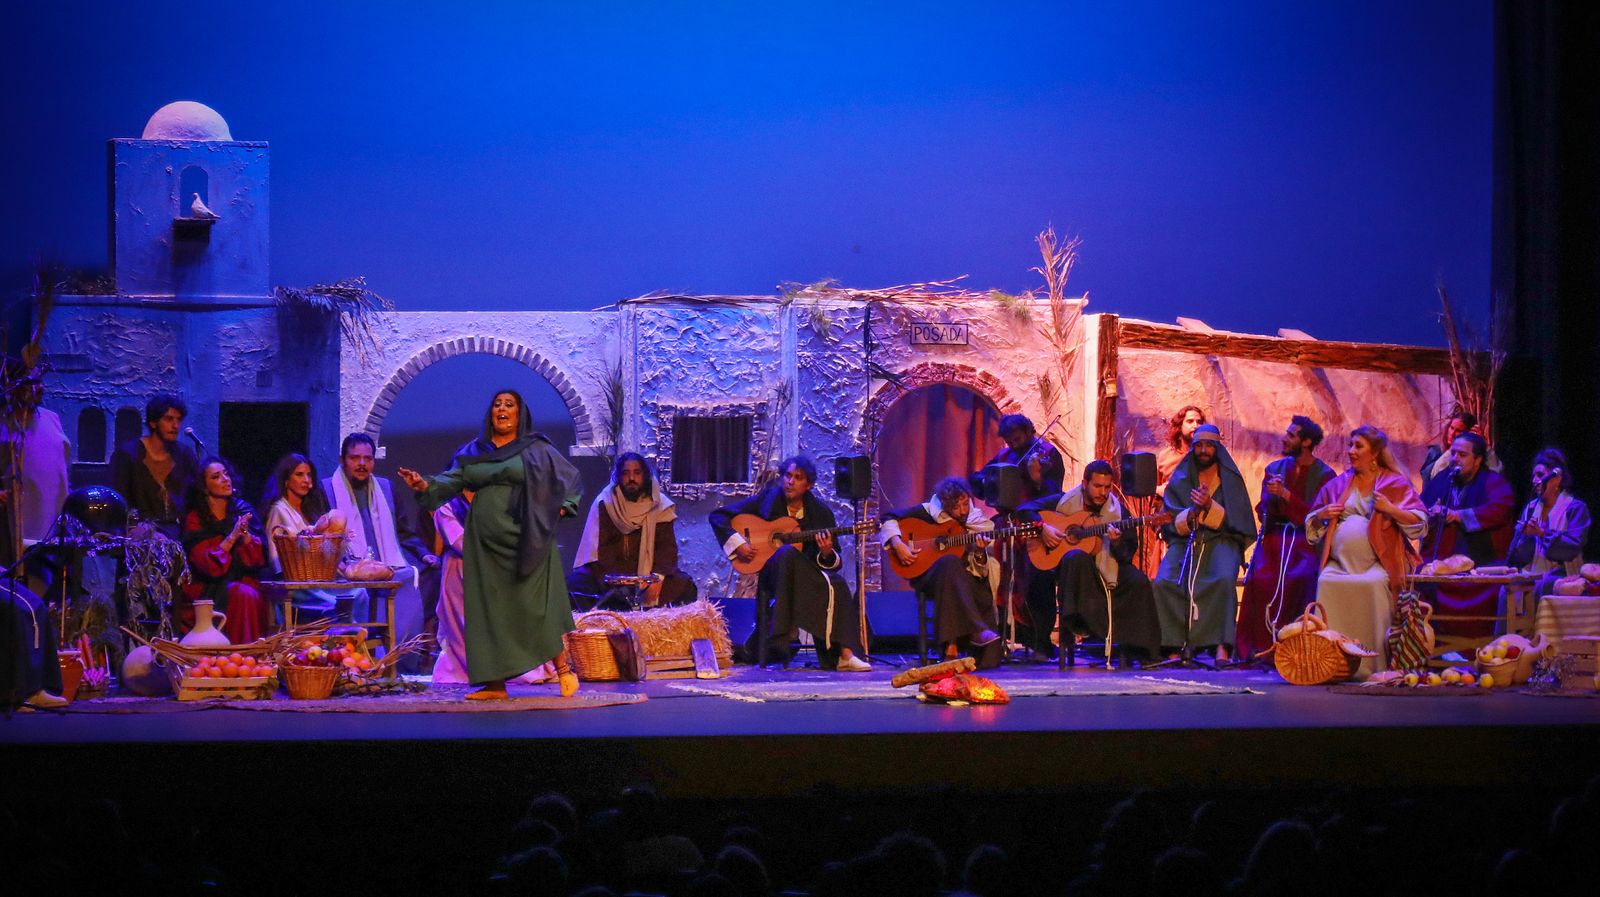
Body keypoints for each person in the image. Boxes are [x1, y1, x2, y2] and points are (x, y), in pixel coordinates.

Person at [398, 389, 583, 699]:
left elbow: (569, 479)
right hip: (485, 543)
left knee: (535, 607)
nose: (502, 409)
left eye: (509, 405)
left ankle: (564, 670)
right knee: (489, 612)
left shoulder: (536, 449)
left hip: (528, 537)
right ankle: (495, 684)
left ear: (519, 413)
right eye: (497, 404)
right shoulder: (475, 451)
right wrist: (424, 484)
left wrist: (561, 508)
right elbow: (451, 481)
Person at [710, 456, 869, 671]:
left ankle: (844, 654)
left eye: (798, 477)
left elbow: (834, 561)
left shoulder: (821, 513)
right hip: (772, 574)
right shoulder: (767, 500)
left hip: (807, 578)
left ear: (809, 485)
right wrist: (738, 544)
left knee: (838, 584)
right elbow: (718, 516)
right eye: (787, 475)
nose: (790, 481)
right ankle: (781, 633)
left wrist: (826, 551)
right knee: (785, 552)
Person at [1305, 426, 1427, 678]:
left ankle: (1373, 666)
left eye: (1358, 446)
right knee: (1326, 581)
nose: (1351, 451)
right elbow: (1312, 523)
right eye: (1350, 445)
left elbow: (1421, 522)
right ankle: (1330, 664)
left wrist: (1391, 509)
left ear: (1375, 453)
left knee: (1372, 585)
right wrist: (1321, 515)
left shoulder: (1393, 483)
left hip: (1378, 565)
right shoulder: (1338, 484)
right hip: (1339, 565)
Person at [1016, 460, 1161, 663]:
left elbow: (1127, 554)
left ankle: (1141, 650)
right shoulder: (1062, 502)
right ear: (1085, 483)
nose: (1103, 492)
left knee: (1138, 581)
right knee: (1074, 558)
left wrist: (1117, 542)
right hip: (1069, 569)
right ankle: (1077, 624)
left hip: (1106, 565)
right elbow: (1024, 509)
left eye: (1107, 487)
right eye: (1097, 486)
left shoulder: (1118, 513)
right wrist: (1043, 528)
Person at [324, 433, 436, 671]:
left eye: (367, 458)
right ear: (343, 460)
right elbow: (321, 535)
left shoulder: (386, 488)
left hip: (385, 566)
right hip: (345, 569)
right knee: (355, 590)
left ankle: (402, 660)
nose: (362, 464)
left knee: (416, 577)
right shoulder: (326, 489)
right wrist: (342, 565)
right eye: (355, 458)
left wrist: (423, 553)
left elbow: (404, 532)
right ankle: (358, 662)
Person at [1235, 416, 1336, 661]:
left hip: (1304, 543)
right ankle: (1256, 649)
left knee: (1301, 578)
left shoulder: (1325, 474)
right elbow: (1265, 512)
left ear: (1307, 441)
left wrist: (1287, 496)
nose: (1285, 438)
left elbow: (1318, 515)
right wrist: (1272, 497)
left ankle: (1293, 650)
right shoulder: (1274, 469)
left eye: (1291, 435)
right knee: (1260, 579)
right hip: (1275, 539)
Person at [1153, 423, 1256, 660]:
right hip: (1186, 540)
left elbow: (1238, 519)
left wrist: (1209, 506)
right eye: (1199, 445)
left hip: (1222, 539)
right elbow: (1170, 516)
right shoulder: (1181, 477)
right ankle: (1173, 645)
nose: (1203, 450)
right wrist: (1192, 512)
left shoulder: (1229, 478)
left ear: (1217, 448)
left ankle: (1222, 645)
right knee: (1165, 581)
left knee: (1221, 579)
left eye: (1209, 445)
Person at [880, 476, 1002, 669]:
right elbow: (887, 518)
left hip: (960, 581)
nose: (963, 511)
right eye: (956, 507)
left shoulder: (975, 523)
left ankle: (951, 649)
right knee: (949, 562)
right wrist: (897, 543)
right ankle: (976, 631)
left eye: (965, 504)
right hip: (927, 576)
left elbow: (978, 567)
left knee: (962, 573)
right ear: (944, 506)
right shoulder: (926, 513)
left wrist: (979, 552)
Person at [570, 452, 696, 611]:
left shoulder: (661, 506)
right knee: (576, 582)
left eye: (637, 473)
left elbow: (667, 549)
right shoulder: (606, 503)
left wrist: (656, 578)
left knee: (686, 586)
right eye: (625, 473)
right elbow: (601, 549)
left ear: (645, 476)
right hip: (611, 575)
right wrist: (617, 582)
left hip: (648, 574)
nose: (631, 479)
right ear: (618, 477)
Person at [1420, 431, 1516, 637]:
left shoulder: (1493, 482)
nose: (1455, 459)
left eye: (1462, 455)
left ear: (1478, 459)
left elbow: (1500, 509)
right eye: (1453, 453)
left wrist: (1458, 516)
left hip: (1481, 562)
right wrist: (1431, 514)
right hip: (1442, 562)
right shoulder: (1441, 480)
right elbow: (1421, 507)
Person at [179, 456, 271, 642]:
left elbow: (259, 558)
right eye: (216, 477)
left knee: (253, 593)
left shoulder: (243, 510)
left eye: (226, 474)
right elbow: (206, 564)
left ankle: (252, 657)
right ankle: (235, 655)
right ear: (204, 487)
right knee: (242, 594)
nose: (225, 479)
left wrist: (245, 535)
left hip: (242, 579)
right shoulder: (196, 518)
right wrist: (232, 537)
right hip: (208, 586)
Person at [261, 453, 352, 621]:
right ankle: (339, 640)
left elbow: (322, 550)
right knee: (337, 603)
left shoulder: (311, 511)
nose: (306, 480)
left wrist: (339, 541)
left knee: (358, 594)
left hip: (318, 579)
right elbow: (278, 559)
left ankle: (355, 640)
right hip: (295, 586)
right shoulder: (279, 510)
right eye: (300, 474)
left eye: (309, 475)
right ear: (286, 480)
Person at [109, 394, 201, 541]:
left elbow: (197, 493)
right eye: (169, 419)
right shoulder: (128, 455)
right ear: (153, 422)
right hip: (139, 535)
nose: (175, 426)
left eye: (178, 420)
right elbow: (117, 500)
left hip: (176, 535)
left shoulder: (184, 455)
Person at [1506, 448, 1589, 596]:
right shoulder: (1531, 508)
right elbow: (1518, 557)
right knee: (1506, 590)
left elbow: (1571, 550)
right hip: (1533, 574)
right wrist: (1526, 537)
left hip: (1565, 575)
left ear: (1557, 479)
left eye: (1540, 475)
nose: (1534, 481)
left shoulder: (1575, 508)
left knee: (1545, 585)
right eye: (1533, 476)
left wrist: (1543, 533)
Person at [1420, 410, 1502, 483]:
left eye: (1458, 431)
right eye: (1451, 428)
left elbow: (1497, 474)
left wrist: (1485, 446)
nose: (1452, 434)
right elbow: (1433, 477)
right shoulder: (1435, 452)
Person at [1156, 405, 1206, 493]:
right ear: (1180, 426)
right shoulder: (1165, 456)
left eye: (1199, 422)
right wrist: (1159, 490)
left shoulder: (1207, 455)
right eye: (1190, 421)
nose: (1196, 426)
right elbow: (1155, 489)